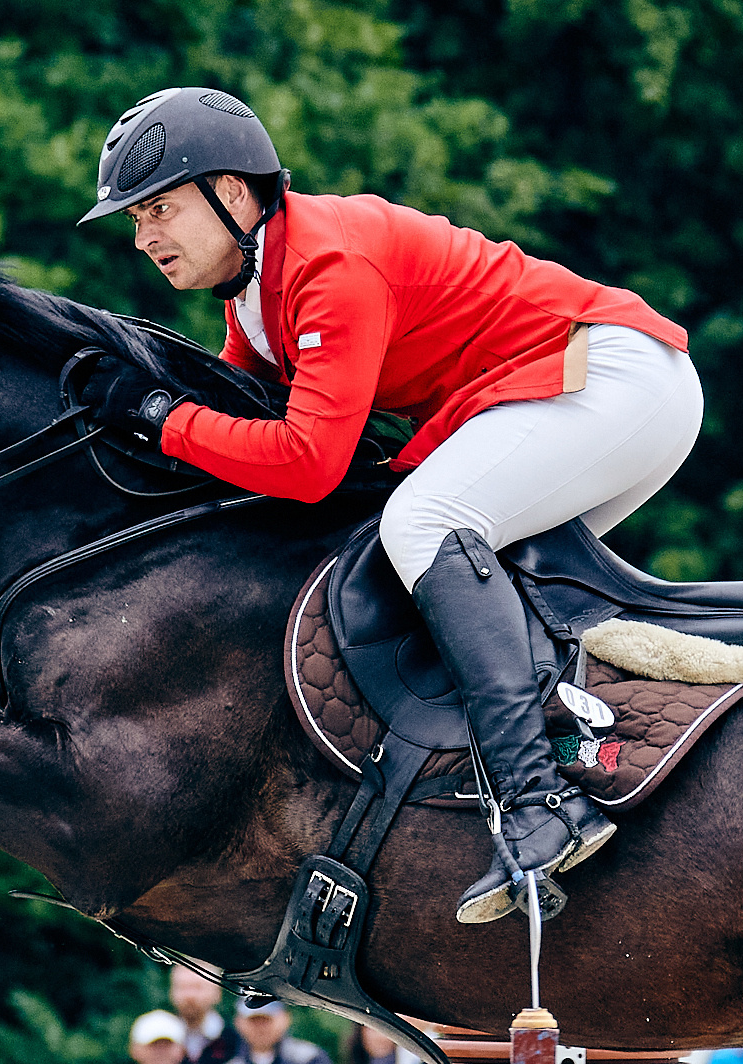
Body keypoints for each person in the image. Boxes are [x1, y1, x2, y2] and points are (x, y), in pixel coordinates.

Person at [78, 88, 700, 924]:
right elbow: (241, 427)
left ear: (232, 194)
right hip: (576, 393)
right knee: (410, 574)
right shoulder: (254, 294)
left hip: (612, 378)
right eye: (135, 218)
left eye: (158, 208)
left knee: (421, 524)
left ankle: (539, 804)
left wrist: (158, 418)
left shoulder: (329, 263)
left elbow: (305, 463)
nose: (144, 235)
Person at [169, 965, 240, 1064]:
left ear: (217, 992)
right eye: (182, 987)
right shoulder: (157, 1041)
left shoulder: (235, 1039)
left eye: (198, 987)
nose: (190, 996)